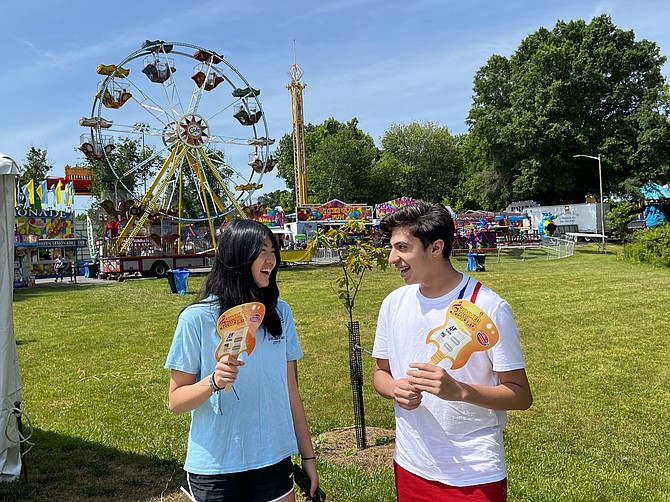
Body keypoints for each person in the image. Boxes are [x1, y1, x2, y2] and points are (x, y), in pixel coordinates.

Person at [372, 201, 532, 502]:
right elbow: (381, 372)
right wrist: (395, 389)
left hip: (472, 476)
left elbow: (520, 395)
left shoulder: (487, 307)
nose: (393, 258)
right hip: (410, 464)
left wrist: (459, 391)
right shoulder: (393, 303)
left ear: (436, 248)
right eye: (392, 247)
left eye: (403, 248)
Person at [165, 219, 320, 502]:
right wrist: (213, 381)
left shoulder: (280, 314)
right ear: (237, 256)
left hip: (273, 458)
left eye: (274, 251)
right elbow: (175, 401)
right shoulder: (197, 319)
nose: (271, 260)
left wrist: (307, 455)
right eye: (262, 251)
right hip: (216, 466)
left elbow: (291, 391)